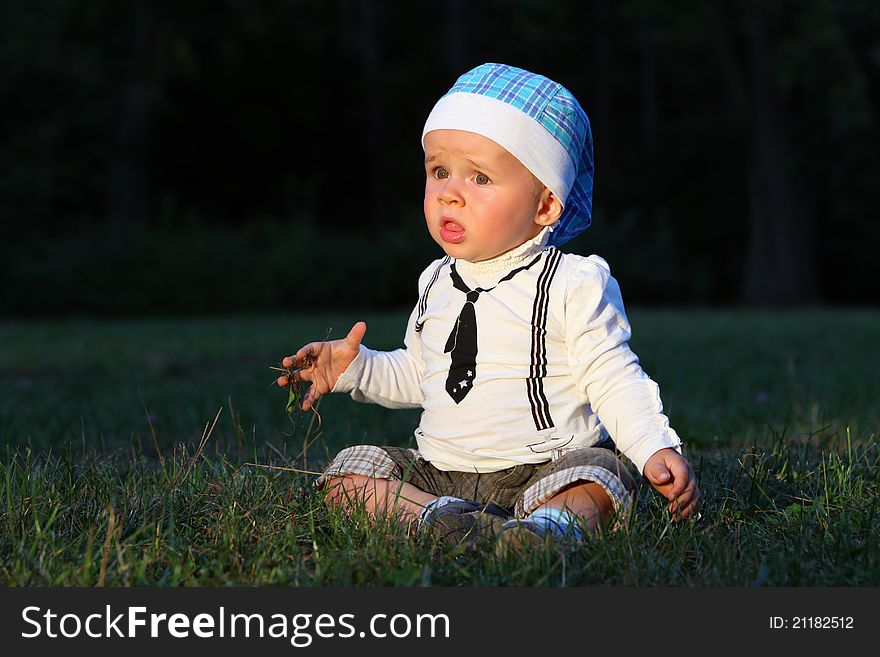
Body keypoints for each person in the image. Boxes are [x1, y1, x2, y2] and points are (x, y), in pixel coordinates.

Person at [276, 63, 700, 554]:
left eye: (480, 177)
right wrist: (359, 368)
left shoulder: (572, 281)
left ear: (545, 206)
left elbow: (612, 374)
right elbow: (423, 372)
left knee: (599, 477)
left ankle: (549, 531)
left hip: (547, 465)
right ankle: (442, 519)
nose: (449, 193)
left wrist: (652, 445)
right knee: (348, 474)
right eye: (439, 171)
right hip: (441, 469)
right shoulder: (435, 280)